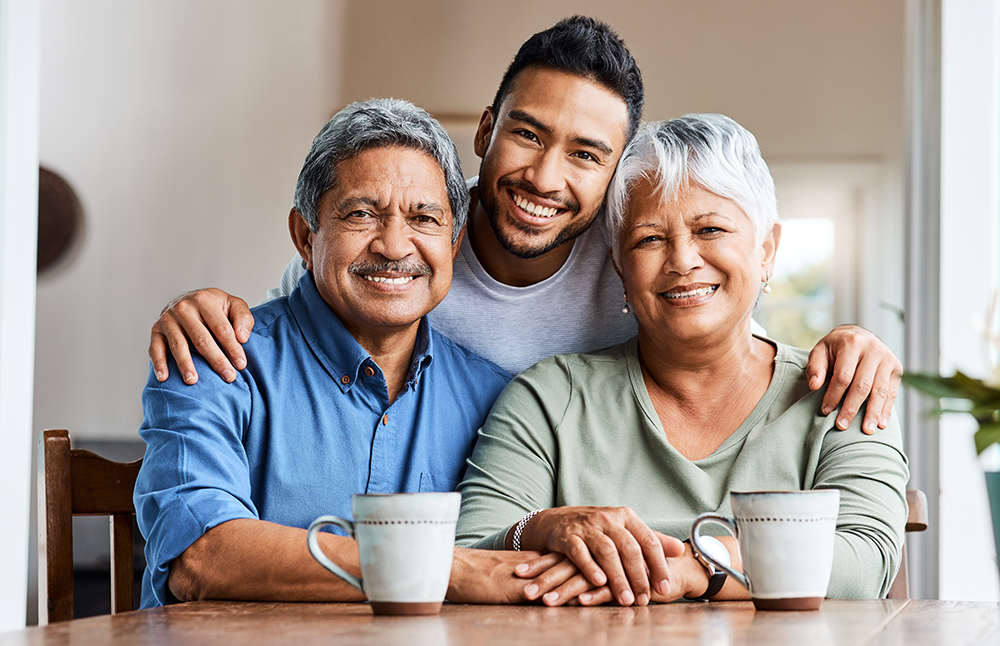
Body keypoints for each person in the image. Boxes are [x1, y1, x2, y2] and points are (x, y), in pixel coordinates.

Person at [147, 16, 902, 436]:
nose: (544, 178)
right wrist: (208, 308)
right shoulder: (405, 246)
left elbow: (731, 338)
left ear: (614, 177)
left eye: (585, 154)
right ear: (484, 130)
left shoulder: (636, 257)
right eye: (529, 135)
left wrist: (847, 344)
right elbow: (299, 319)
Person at [134, 98, 584, 609]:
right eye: (362, 214)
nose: (394, 246)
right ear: (306, 236)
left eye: (424, 218)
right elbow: (202, 558)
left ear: (454, 243)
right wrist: (443, 572)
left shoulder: (496, 398)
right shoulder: (214, 356)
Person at [455, 114, 909, 607]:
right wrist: (540, 527)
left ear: (767, 251)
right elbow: (469, 554)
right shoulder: (550, 396)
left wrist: (701, 566)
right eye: (649, 239)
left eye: (710, 229)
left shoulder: (846, 388)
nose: (683, 260)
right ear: (619, 267)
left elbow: (864, 563)